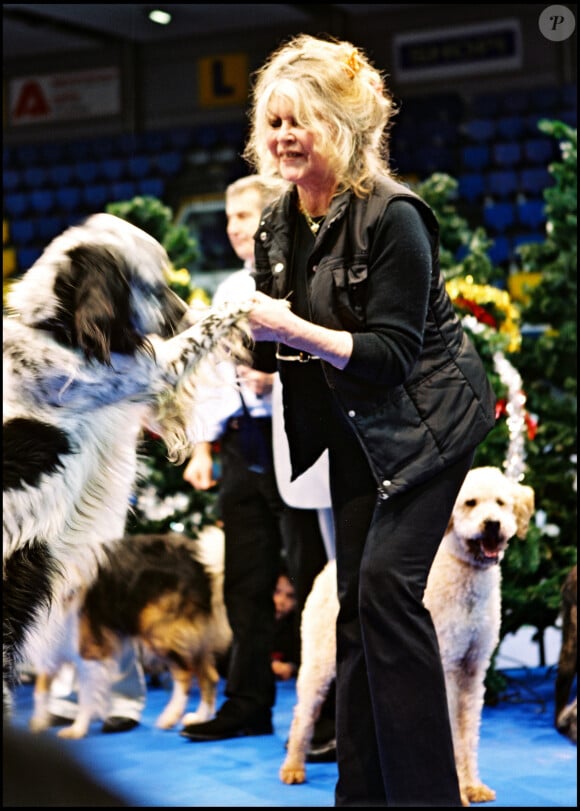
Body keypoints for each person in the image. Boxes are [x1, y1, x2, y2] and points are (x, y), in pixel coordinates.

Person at [243, 34, 497, 807]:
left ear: (343, 126)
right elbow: (269, 342)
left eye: (301, 120)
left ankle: (426, 796)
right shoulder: (276, 225)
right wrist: (238, 345)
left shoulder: (397, 217)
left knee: (387, 587)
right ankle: (361, 794)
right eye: (274, 121)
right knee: (353, 603)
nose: (285, 136)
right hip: (356, 430)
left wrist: (288, 330)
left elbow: (389, 353)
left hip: (432, 427)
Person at [180, 175, 333, 744]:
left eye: (244, 216)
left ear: (273, 216)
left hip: (296, 441)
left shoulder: (305, 275)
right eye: (227, 219)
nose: (234, 227)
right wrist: (201, 448)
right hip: (244, 448)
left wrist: (276, 382)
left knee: (314, 577)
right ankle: (246, 704)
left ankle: (329, 716)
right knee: (244, 584)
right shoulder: (226, 293)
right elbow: (210, 382)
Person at [270, 562, 300, 681]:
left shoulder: (296, 629)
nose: (281, 601)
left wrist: (292, 668)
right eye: (277, 592)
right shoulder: (249, 624)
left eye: (290, 596)